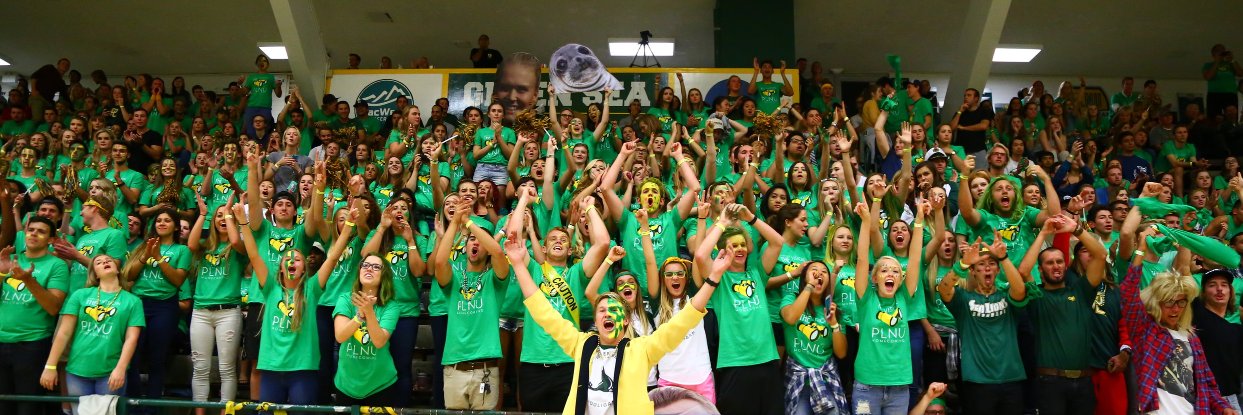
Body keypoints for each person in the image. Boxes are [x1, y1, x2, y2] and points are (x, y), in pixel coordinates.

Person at [505, 214, 722, 415]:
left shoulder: (642, 349)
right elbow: (543, 312)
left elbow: (683, 321)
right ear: (596, 320)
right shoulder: (582, 345)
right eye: (601, 310)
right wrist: (517, 264)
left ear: (626, 319)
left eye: (614, 309)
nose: (607, 314)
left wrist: (713, 279)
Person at [234, 198, 354, 408]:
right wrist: (243, 223)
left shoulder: (313, 288)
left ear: (304, 267)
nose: (292, 261)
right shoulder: (270, 287)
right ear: (280, 267)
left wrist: (348, 227)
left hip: (303, 369)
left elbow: (333, 256)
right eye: (287, 258)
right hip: (271, 368)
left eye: (297, 259)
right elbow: (253, 254)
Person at [1122, 227, 1238, 415]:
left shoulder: (1191, 338)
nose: (1175, 308)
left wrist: (1223, 407)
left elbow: (1206, 383)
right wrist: (1140, 248)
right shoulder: (1145, 330)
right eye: (1169, 302)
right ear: (1157, 302)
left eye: (1181, 302)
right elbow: (1128, 292)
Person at [39, 254, 143, 415]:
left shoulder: (133, 301)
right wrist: (50, 366)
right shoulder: (80, 295)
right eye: (99, 263)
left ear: (117, 270)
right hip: (77, 371)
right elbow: (63, 333)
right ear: (95, 274)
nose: (105, 262)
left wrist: (120, 369)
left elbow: (132, 338)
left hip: (110, 372)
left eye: (109, 260)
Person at [186, 194, 244, 415]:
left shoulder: (239, 248)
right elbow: (191, 243)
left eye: (226, 215)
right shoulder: (204, 246)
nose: (222, 218)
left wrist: (229, 212)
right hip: (201, 312)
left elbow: (236, 241)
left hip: (228, 312)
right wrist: (202, 214)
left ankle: (224, 414)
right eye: (218, 215)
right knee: (200, 369)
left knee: (226, 369)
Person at [332, 253, 401, 406]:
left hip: (380, 385)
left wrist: (369, 312)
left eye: (376, 267)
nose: (369, 268)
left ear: (384, 275)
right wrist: (359, 317)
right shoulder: (345, 299)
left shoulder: (391, 306)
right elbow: (340, 336)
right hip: (346, 386)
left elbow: (379, 341)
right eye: (365, 265)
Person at [1191, 268, 1243, 412]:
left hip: (1231, 400)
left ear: (1231, 291)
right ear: (1203, 292)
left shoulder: (1237, 331)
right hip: (1203, 397)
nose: (1219, 289)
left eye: (1224, 285)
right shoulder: (1197, 313)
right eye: (1212, 285)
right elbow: (1182, 269)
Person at [494, 52, 540, 123]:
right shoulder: (483, 133)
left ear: (535, 95)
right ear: (495, 92)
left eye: (521, 90)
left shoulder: (545, 133)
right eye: (505, 88)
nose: (512, 97)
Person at [1204, 44, 1243, 117]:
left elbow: (1240, 73)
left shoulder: (1231, 64)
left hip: (1230, 94)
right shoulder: (1208, 65)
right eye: (1218, 51)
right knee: (1214, 117)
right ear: (1213, 54)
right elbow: (1208, 77)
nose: (1222, 52)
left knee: (1232, 115)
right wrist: (1217, 61)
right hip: (1214, 94)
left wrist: (1232, 60)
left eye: (1223, 50)